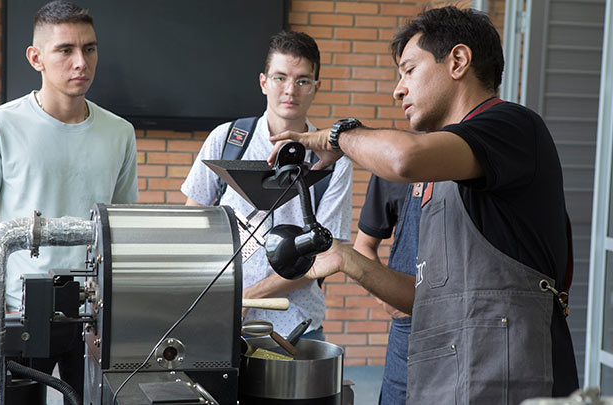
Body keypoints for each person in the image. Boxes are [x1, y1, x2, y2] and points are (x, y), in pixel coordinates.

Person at [268, 6, 578, 403]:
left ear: (458, 61)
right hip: (444, 381)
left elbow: (403, 158)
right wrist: (346, 259)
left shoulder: (513, 126)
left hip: (510, 381)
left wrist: (337, 136)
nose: (399, 89)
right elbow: (426, 300)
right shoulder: (443, 171)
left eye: (409, 70)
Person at [0, 0, 138, 398]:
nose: (81, 62)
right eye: (65, 50)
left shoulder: (120, 132)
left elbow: (121, 228)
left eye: (89, 49)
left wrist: (113, 317)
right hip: (16, 312)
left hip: (90, 316)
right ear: (35, 58)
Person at [181, 30, 353, 339]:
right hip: (219, 320)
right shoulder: (227, 139)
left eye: (302, 80)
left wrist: (249, 296)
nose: (290, 90)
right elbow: (192, 223)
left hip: (297, 327)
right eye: (280, 78)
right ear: (263, 82)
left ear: (316, 87)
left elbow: (327, 254)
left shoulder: (333, 159)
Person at [354, 177, 424, 405]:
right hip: (408, 328)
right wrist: (387, 300)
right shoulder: (390, 168)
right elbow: (363, 247)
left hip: (466, 324)